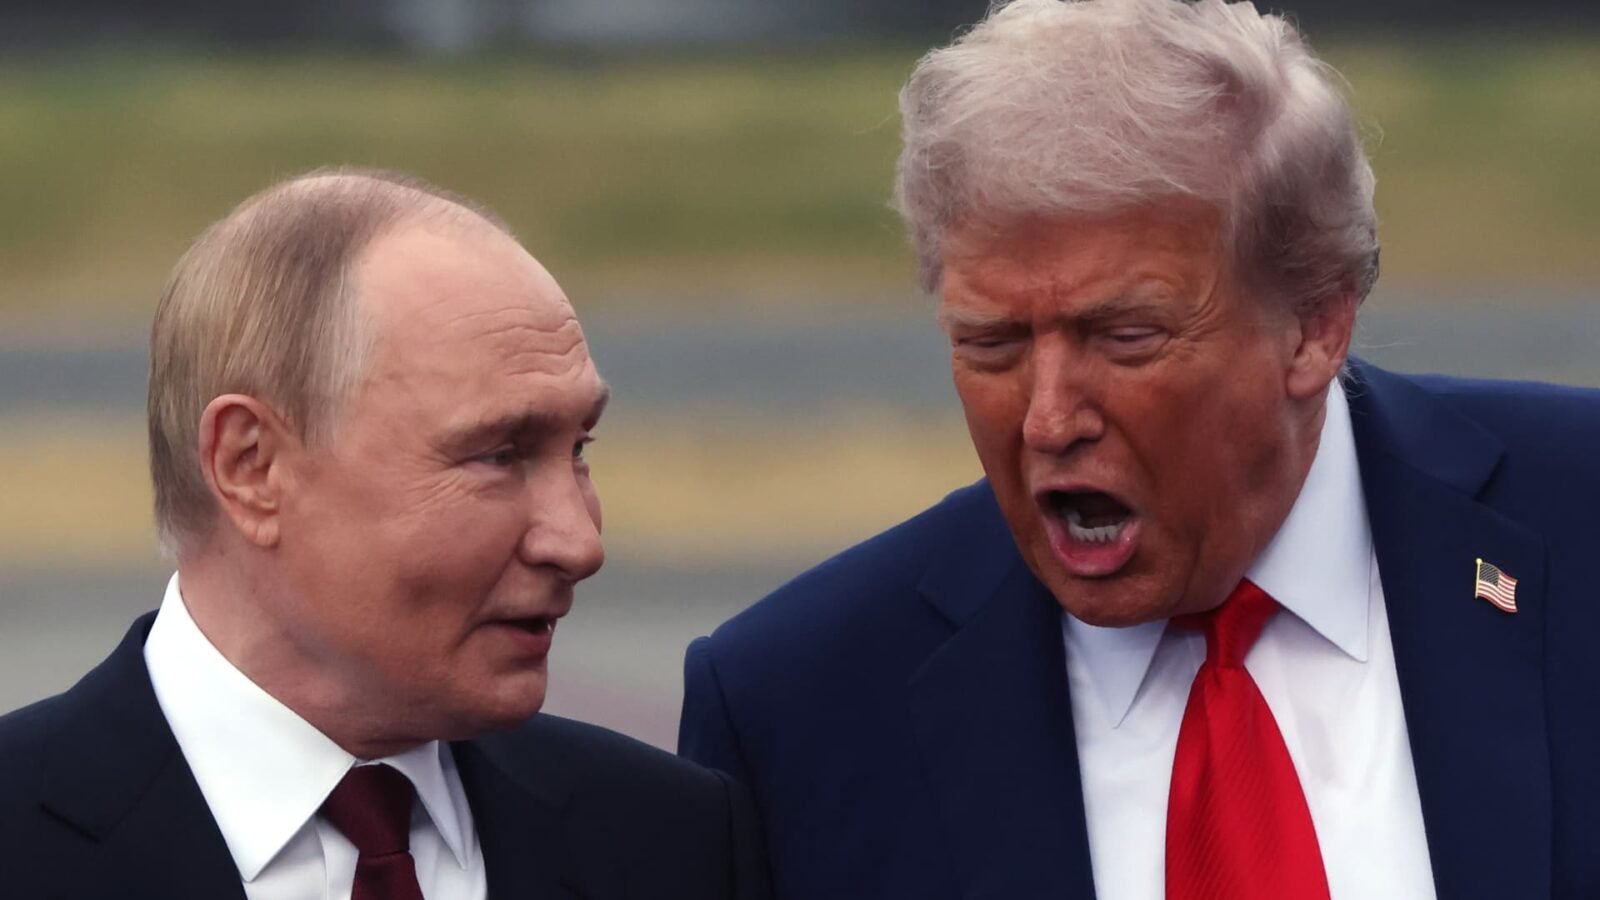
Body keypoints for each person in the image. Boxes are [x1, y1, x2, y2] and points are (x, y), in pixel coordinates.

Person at [678, 1, 1600, 898]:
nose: (1047, 421)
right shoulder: (796, 710)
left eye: (1125, 338)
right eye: (992, 343)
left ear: (1316, 326)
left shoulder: (1577, 514)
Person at [0, 170, 770, 900]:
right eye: (499, 455)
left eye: (579, 450)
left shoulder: (669, 840)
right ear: (251, 466)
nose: (579, 542)